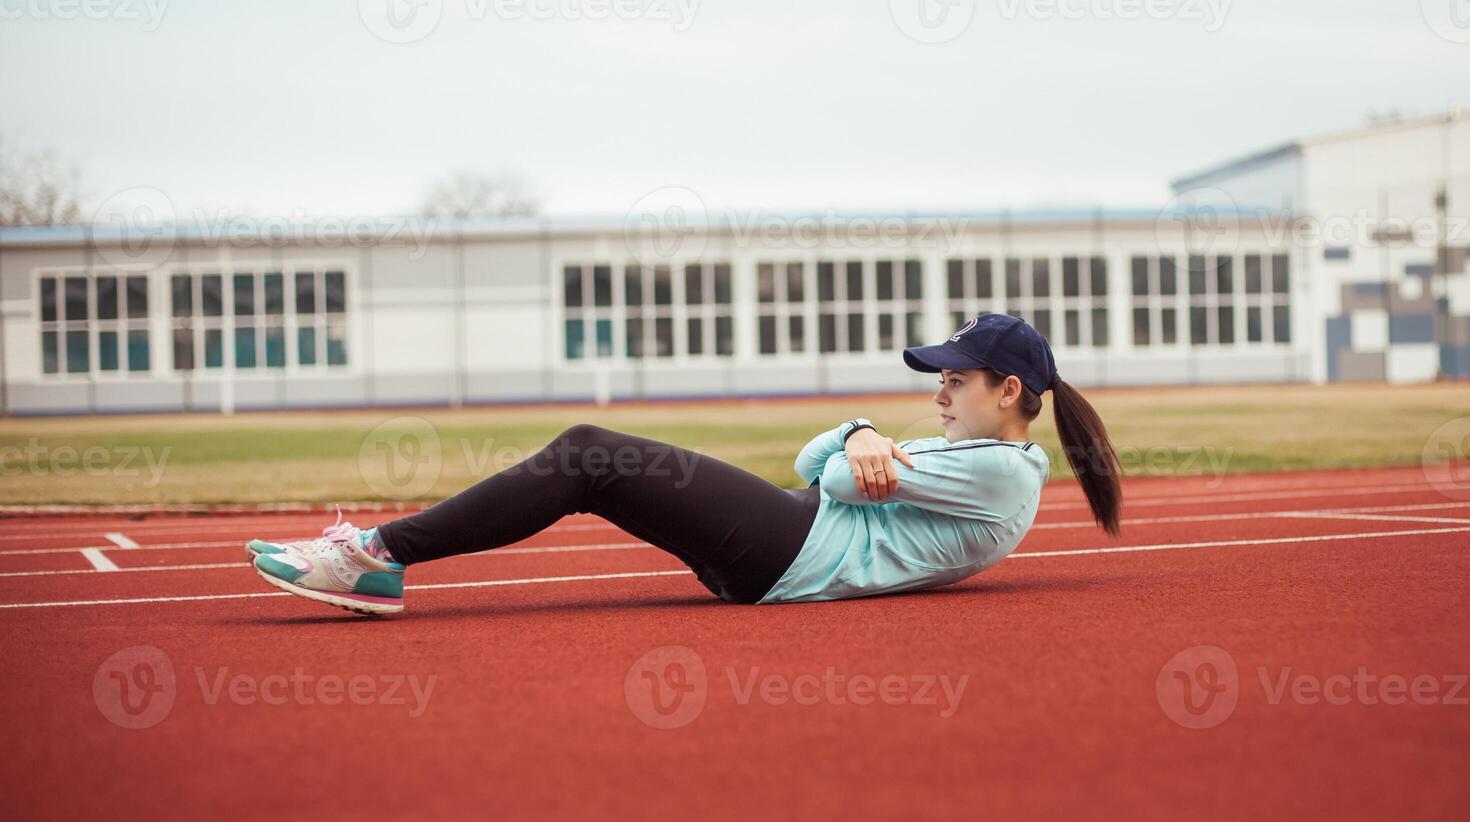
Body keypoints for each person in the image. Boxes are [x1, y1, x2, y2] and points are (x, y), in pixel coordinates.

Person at [247, 313, 1121, 615]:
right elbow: (815, 455)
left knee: (590, 451)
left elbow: (840, 477)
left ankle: (377, 557)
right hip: (791, 538)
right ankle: (378, 558)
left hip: (797, 552)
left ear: (1009, 391)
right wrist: (858, 428)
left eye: (954, 379)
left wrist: (856, 446)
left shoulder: (1004, 472)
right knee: (591, 463)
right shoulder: (961, 446)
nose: (938, 391)